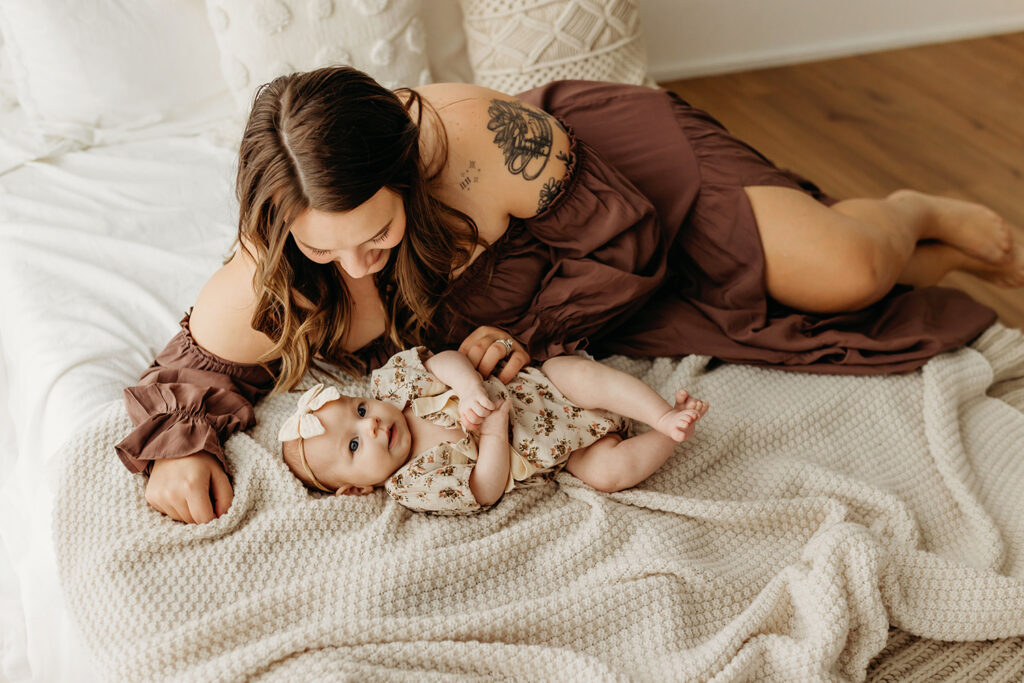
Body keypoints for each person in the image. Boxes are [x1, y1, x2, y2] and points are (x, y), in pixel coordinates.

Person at [115, 66, 1022, 524]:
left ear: (406, 175)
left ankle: (910, 209)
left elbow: (624, 236)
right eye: (327, 248)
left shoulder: (479, 145)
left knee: (849, 272)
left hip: (618, 201)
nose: (355, 269)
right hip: (578, 293)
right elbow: (188, 373)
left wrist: (520, 329)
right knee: (836, 303)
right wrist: (177, 456)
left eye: (380, 237)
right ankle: (931, 261)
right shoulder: (272, 263)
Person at [276, 347, 709, 514]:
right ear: (356, 489)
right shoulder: (413, 484)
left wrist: (467, 387)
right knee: (607, 473)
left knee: (580, 375)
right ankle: (667, 436)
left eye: (359, 408)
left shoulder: (394, 384)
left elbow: (441, 359)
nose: (370, 424)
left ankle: (659, 414)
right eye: (354, 444)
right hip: (567, 451)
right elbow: (484, 488)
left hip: (544, 386)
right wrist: (493, 435)